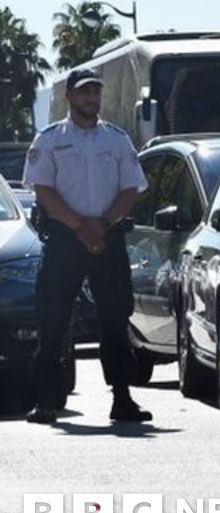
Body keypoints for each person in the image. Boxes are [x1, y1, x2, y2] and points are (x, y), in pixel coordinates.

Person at [22, 68, 152, 424]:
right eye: (83, 93)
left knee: (115, 318)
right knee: (54, 320)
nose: (90, 99)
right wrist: (80, 226)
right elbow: (43, 190)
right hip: (65, 238)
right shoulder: (49, 140)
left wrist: (103, 225)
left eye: (95, 92)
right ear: (69, 96)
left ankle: (122, 398)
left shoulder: (116, 139)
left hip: (108, 239)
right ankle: (47, 400)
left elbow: (131, 189)